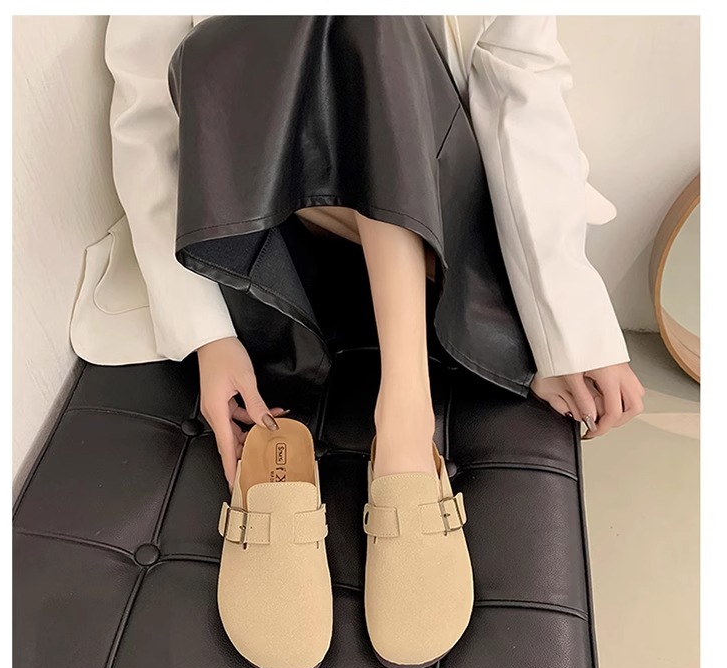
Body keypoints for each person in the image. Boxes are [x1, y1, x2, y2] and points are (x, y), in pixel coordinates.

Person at [72, 15, 645, 487]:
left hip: (435, 209)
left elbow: (524, 99)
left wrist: (567, 324)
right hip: (271, 247)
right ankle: (475, 321)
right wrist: (209, 338)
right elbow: (151, 125)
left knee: (375, 22)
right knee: (221, 47)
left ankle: (405, 417)